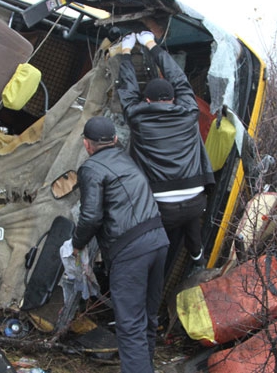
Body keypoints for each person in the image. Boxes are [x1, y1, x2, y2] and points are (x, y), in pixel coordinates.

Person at [72, 116, 169, 373]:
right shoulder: (127, 159)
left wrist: (77, 243)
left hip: (131, 250)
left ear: (86, 144)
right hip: (158, 240)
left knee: (130, 325)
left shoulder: (91, 168)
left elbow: (91, 216)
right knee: (147, 319)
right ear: (115, 139)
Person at [117, 29, 215, 276]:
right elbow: (179, 78)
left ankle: (158, 272)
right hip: (196, 199)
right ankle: (197, 260)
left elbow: (127, 88)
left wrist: (126, 52)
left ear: (147, 101)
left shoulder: (137, 117)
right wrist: (151, 44)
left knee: (160, 240)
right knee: (190, 222)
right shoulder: (189, 112)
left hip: (161, 206)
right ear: (174, 99)